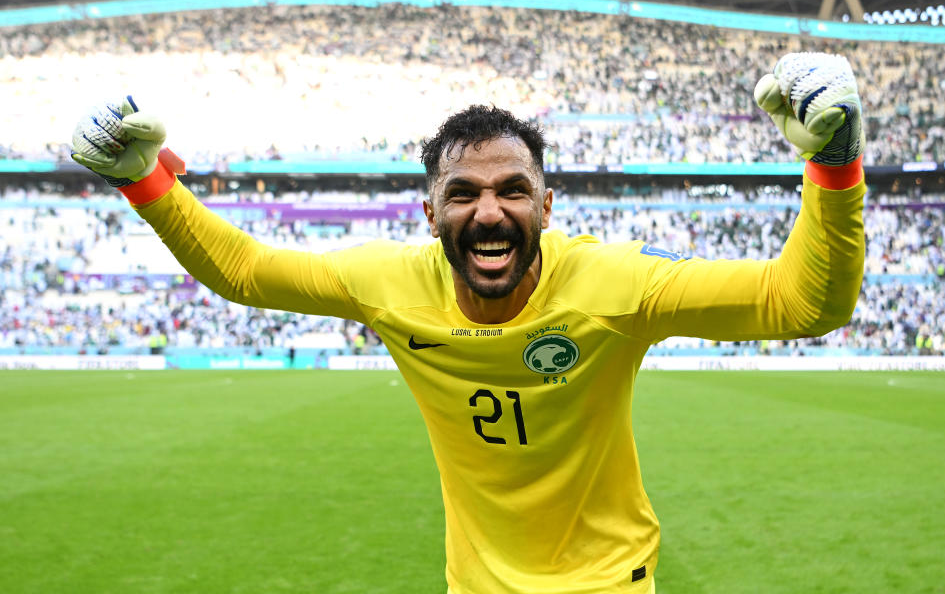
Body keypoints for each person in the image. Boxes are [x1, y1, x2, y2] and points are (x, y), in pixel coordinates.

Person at [70, 52, 866, 593]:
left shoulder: (611, 284)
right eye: (464, 194)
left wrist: (834, 164)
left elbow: (801, 303)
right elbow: (242, 271)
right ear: (430, 213)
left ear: (547, 207)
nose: (490, 211)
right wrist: (145, 181)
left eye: (513, 190)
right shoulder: (390, 284)